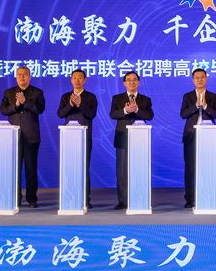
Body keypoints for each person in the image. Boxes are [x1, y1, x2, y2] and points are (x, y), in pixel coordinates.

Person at [0, 66, 45, 208]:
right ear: (15, 77)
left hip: (31, 135)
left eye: (24, 74)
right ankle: (15, 198)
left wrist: (26, 102)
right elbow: (3, 110)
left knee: (31, 168)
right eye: (19, 75)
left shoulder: (37, 92)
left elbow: (40, 109)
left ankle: (32, 198)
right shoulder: (9, 92)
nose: (22, 77)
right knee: (14, 169)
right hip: (13, 136)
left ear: (30, 77)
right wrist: (16, 105)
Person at [109, 71, 154, 209]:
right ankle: (123, 201)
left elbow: (150, 116)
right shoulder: (117, 98)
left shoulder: (145, 99)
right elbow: (113, 114)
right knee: (122, 171)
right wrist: (126, 110)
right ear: (124, 83)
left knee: (140, 169)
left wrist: (137, 109)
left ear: (138, 82)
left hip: (141, 139)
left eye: (134, 80)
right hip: (123, 136)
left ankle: (140, 198)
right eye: (129, 80)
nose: (132, 82)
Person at [180, 68, 216, 208]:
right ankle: (190, 199)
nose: (199, 80)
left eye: (202, 77)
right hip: (191, 135)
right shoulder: (187, 96)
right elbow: (183, 114)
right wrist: (196, 106)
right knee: (190, 168)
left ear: (206, 79)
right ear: (193, 80)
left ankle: (207, 196)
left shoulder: (213, 96)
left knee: (208, 167)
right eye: (197, 78)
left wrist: (206, 106)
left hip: (208, 136)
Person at [57, 69, 98, 208]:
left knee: (83, 168)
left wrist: (80, 104)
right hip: (69, 137)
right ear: (71, 80)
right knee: (69, 168)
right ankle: (69, 197)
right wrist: (70, 105)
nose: (77, 80)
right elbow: (60, 114)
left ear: (85, 80)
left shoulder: (91, 97)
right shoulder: (65, 96)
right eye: (74, 78)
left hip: (85, 136)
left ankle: (85, 199)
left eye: (80, 78)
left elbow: (92, 114)